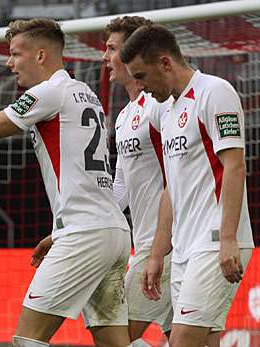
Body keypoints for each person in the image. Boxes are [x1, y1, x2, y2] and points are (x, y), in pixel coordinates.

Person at [0, 18, 131, 347]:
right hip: (112, 232)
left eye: (15, 54)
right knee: (117, 344)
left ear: (41, 55)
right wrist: (58, 231)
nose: (9, 63)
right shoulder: (84, 93)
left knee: (28, 339)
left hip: (84, 234)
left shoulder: (47, 93)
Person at [121, 24, 255, 347]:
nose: (139, 86)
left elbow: (235, 167)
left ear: (166, 63)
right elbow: (171, 188)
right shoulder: (167, 112)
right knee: (206, 342)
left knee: (181, 341)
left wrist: (227, 239)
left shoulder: (214, 92)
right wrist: (156, 254)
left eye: (141, 76)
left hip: (214, 243)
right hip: (183, 248)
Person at [103, 16, 174, 342]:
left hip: (167, 245)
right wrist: (96, 218)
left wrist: (161, 248)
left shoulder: (160, 107)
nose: (105, 58)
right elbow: (122, 185)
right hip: (145, 243)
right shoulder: (125, 115)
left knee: (116, 334)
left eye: (112, 49)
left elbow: (176, 176)